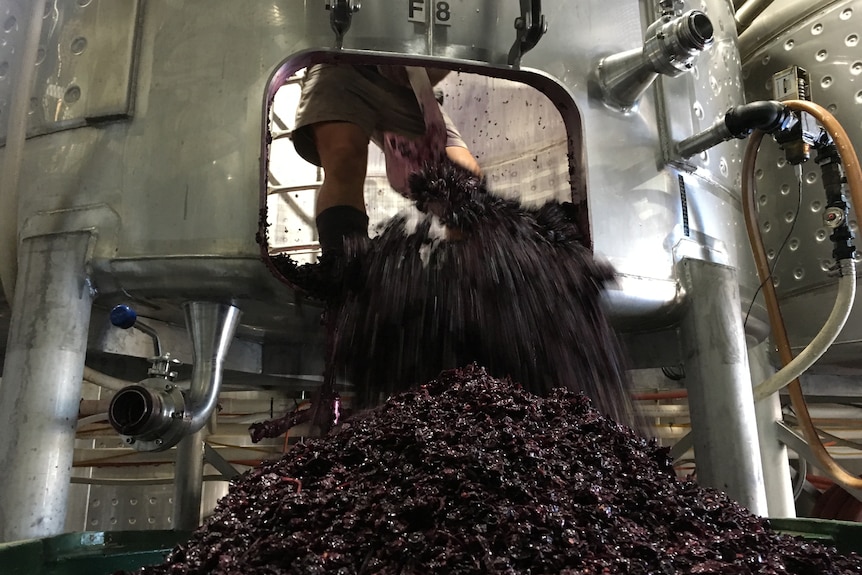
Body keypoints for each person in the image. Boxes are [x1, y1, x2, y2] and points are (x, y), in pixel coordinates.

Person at [291, 63, 482, 254]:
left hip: (410, 78)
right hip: (341, 62)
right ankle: (343, 269)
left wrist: (431, 68)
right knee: (344, 157)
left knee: (466, 183)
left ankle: (461, 271)